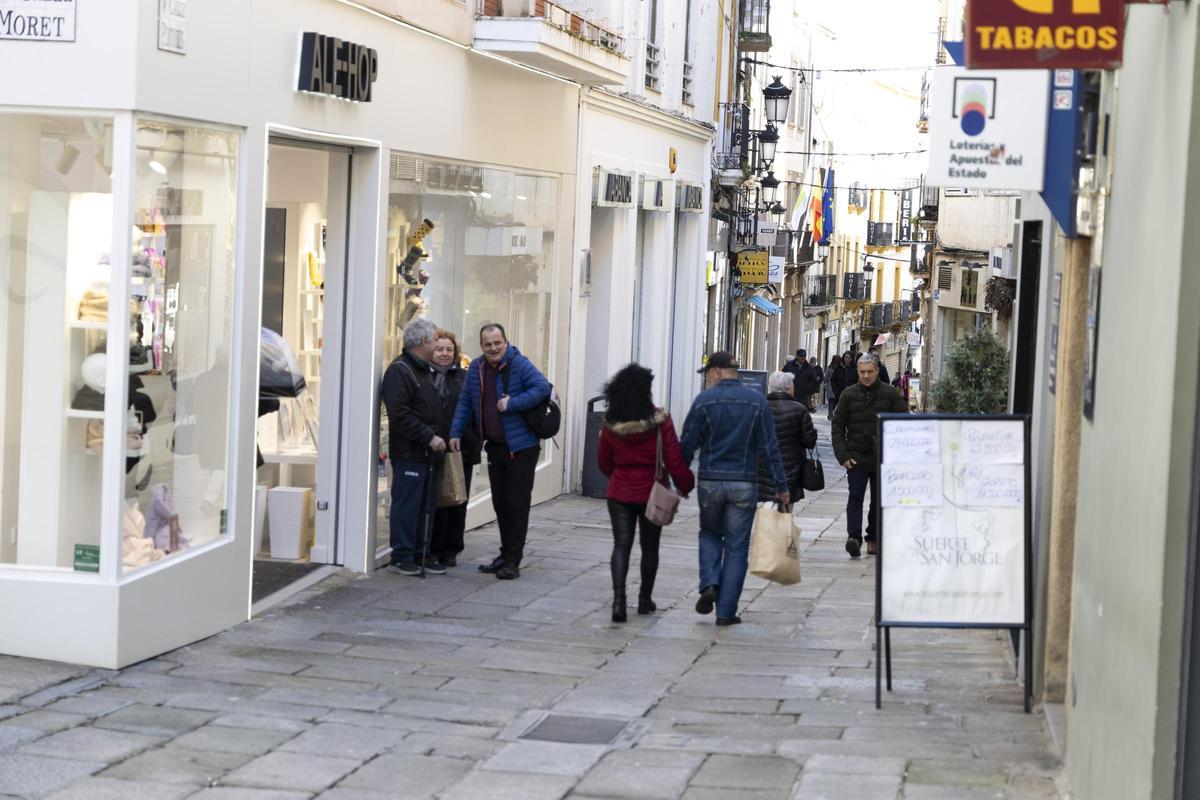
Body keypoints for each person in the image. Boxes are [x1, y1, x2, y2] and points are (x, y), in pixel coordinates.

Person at [680, 352, 789, 627]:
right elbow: (769, 446)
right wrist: (781, 485)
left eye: (708, 373)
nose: (707, 377)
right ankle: (726, 611)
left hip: (710, 481)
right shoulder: (756, 401)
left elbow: (688, 443)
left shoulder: (705, 400)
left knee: (709, 534)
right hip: (743, 482)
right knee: (737, 547)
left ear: (716, 372)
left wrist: (679, 477)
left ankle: (709, 584)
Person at [450, 323, 551, 580]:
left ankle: (513, 561)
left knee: (517, 505)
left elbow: (542, 388)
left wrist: (512, 403)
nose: (493, 348)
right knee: (501, 504)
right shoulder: (477, 367)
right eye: (488, 344)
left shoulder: (519, 363)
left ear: (506, 342)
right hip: (495, 447)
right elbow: (465, 401)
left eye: (497, 343)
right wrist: (454, 432)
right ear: (482, 346)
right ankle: (505, 554)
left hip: (521, 447)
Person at [597, 364, 695, 623]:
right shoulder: (660, 421)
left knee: (621, 545)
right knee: (650, 547)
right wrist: (685, 484)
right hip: (653, 491)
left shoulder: (611, 423)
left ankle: (619, 600)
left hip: (619, 491)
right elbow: (674, 459)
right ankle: (644, 599)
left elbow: (603, 462)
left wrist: (618, 477)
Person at [381, 318, 448, 576]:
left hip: (427, 454)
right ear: (423, 342)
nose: (437, 345)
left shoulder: (421, 369)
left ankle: (420, 554)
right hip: (411, 452)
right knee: (407, 506)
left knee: (425, 506)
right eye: (434, 341)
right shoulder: (400, 371)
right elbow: (400, 415)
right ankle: (402, 556)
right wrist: (429, 437)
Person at [831, 354, 909, 559]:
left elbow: (904, 423)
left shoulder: (890, 394)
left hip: (883, 457)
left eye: (870, 372)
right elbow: (838, 426)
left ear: (877, 371)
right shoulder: (848, 395)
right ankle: (853, 538)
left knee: (878, 499)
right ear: (858, 372)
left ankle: (873, 537)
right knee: (855, 496)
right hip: (856, 456)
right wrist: (843, 454)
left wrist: (898, 454)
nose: (866, 376)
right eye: (862, 372)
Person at [429, 329, 481, 568]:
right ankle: (434, 547)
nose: (444, 354)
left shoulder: (465, 377)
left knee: (458, 500)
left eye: (449, 349)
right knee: (437, 501)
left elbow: (474, 410)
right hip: (433, 447)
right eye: (439, 349)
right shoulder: (424, 376)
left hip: (462, 449)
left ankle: (452, 549)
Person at [756, 371, 818, 505]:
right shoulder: (799, 410)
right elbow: (809, 441)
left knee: (767, 508)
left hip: (763, 469)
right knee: (785, 511)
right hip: (791, 470)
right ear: (789, 388)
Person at [828, 351, 853, 420]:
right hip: (840, 394)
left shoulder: (854, 369)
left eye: (849, 358)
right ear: (843, 358)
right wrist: (835, 390)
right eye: (846, 357)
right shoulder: (838, 368)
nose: (847, 359)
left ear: (851, 359)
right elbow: (833, 380)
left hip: (851, 394)